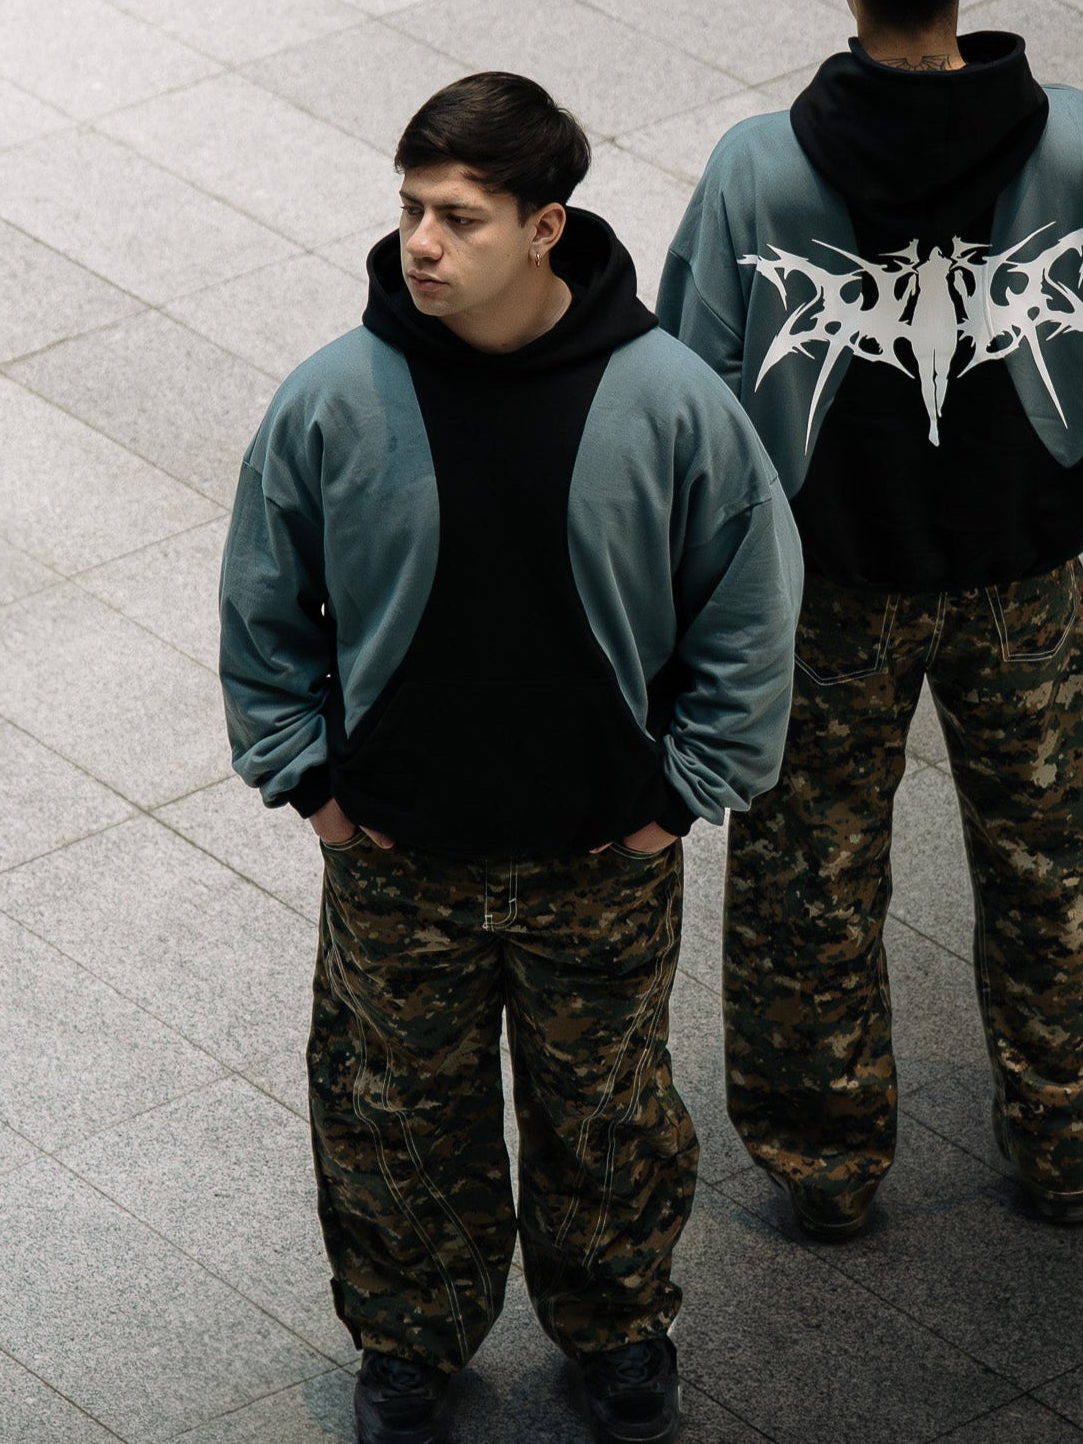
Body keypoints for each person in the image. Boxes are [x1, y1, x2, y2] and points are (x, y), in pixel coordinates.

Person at [219, 72, 802, 1444]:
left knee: (607, 1112)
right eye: (412, 209)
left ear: (547, 228)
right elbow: (263, 603)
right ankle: (408, 1340)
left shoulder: (665, 400)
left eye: (461, 217)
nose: (422, 243)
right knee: (392, 1115)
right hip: (398, 859)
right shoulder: (334, 398)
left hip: (600, 858)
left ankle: (618, 1333)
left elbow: (748, 607)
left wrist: (678, 798)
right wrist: (312, 784)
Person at [657, 0, 1083, 1239]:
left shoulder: (759, 171)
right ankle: (1071, 1139)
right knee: (1057, 863)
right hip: (1023, 581)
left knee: (809, 878)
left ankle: (825, 1163)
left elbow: (694, 395)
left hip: (829, 589)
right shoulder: (1080, 143)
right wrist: (1057, 480)